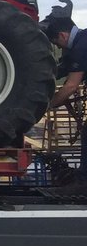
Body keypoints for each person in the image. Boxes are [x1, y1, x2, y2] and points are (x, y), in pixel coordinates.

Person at [44, 14, 87, 190]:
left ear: (62, 35)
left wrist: (47, 105)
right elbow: (62, 70)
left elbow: (70, 87)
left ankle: (84, 181)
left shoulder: (80, 47)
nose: (58, 47)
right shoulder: (83, 40)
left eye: (56, 43)